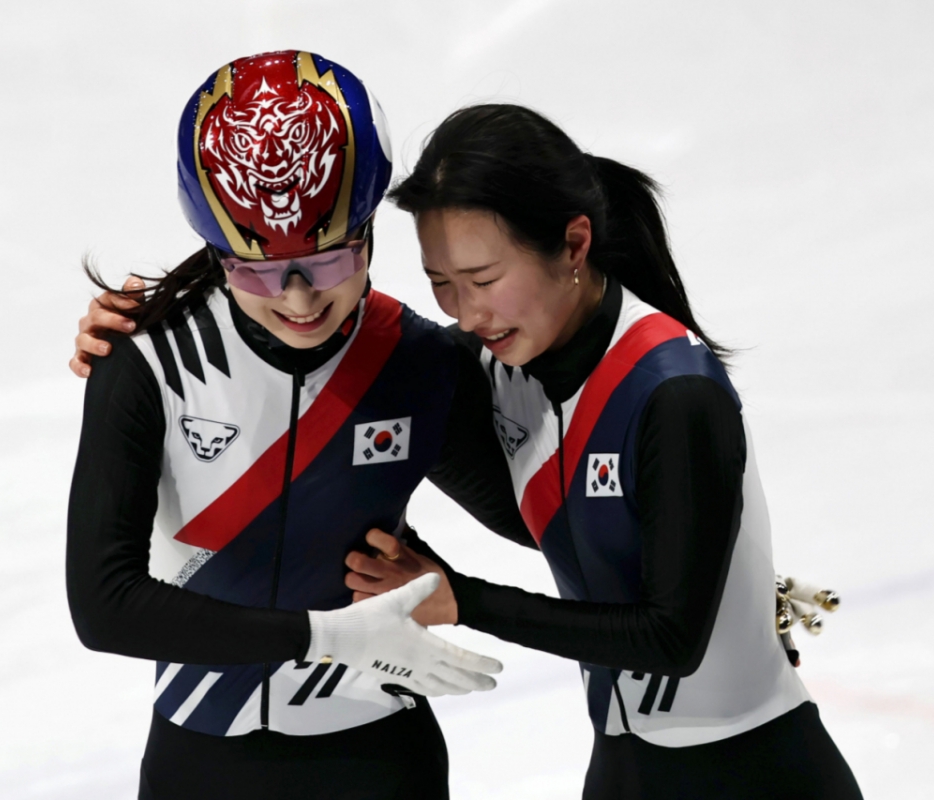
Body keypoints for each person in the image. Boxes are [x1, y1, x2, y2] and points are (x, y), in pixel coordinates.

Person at [73, 101, 863, 797]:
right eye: (444, 284)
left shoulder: (627, 385)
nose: (299, 298)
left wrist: (466, 595)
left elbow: (646, 607)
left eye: (483, 276)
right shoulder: (472, 363)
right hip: (611, 764)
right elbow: (105, 602)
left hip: (727, 767)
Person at [67, 51, 521, 800]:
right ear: (216, 254)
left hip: (378, 758)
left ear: (371, 232)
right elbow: (102, 606)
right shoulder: (149, 362)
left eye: (332, 260)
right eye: (259, 272)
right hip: (200, 761)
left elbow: (551, 522)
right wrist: (328, 636)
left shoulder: (419, 364)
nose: (302, 300)